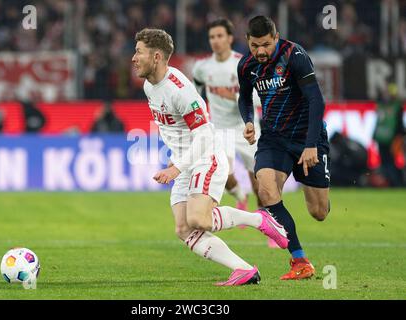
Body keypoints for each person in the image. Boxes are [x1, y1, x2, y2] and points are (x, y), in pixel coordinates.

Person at [132, 28, 288, 286]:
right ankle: (244, 269)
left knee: (198, 219)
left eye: (139, 52)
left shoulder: (180, 90)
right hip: (185, 161)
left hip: (206, 156)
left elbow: (203, 134)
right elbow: (173, 128)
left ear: (157, 57)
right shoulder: (150, 85)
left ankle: (259, 218)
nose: (134, 58)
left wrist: (176, 167)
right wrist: (176, 159)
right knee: (183, 229)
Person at [238, 16, 331, 280]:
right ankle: (300, 260)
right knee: (266, 190)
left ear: (276, 38)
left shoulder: (294, 56)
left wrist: (312, 144)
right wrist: (248, 121)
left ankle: (316, 185)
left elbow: (316, 100)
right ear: (248, 41)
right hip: (273, 139)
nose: (261, 51)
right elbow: (244, 97)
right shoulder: (246, 66)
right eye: (255, 45)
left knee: (319, 212)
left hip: (306, 138)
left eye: (266, 44)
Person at [192, 18, 261, 212]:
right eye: (212, 37)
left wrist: (233, 95)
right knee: (222, 175)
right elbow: (195, 95)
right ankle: (240, 195)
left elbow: (259, 98)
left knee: (259, 183)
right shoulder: (202, 68)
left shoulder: (244, 64)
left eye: (220, 36)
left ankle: (267, 223)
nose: (215, 40)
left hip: (247, 127)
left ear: (230, 38)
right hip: (221, 129)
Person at [373, 83, 405, 187]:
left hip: (386, 138)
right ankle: (394, 182)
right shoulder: (396, 106)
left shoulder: (383, 106)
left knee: (389, 162)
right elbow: (399, 125)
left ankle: (395, 182)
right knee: (391, 162)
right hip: (391, 138)